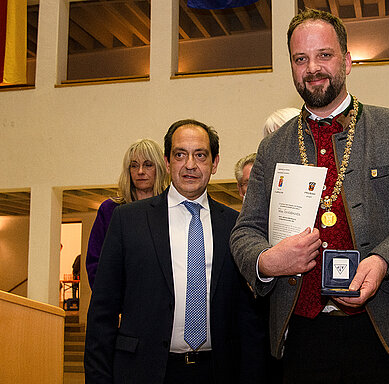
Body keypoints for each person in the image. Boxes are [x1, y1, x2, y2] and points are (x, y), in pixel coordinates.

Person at [230, 8, 389, 384]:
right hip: (304, 336)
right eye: (300, 58)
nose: (313, 67)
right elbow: (244, 232)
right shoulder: (272, 148)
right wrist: (267, 260)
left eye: (324, 55)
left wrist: (383, 261)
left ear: (347, 61)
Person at [84, 119, 267, 383]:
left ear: (214, 164)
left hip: (217, 371)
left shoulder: (234, 225)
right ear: (168, 163)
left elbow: (247, 316)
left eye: (200, 155)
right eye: (180, 154)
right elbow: (103, 311)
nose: (190, 164)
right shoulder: (127, 220)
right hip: (144, 371)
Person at [85, 138, 169, 288]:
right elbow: (95, 263)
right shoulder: (110, 210)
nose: (140, 171)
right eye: (134, 166)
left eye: (148, 165)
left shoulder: (171, 209)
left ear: (160, 168)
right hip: (122, 304)